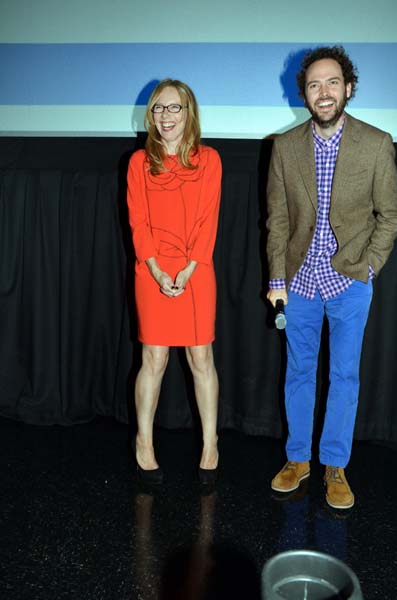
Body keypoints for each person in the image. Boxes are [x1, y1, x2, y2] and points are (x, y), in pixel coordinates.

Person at [266, 46, 397, 508]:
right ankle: (298, 459)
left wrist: (369, 266)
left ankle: (335, 465)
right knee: (299, 373)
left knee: (344, 376)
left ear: (349, 88)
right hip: (299, 281)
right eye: (313, 84)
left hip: (349, 283)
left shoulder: (377, 143)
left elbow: (391, 215)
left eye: (332, 82)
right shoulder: (284, 147)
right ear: (303, 93)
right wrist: (276, 278)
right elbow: (278, 221)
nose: (323, 92)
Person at [127, 79, 222, 485]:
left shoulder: (210, 159)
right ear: (151, 115)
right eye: (159, 108)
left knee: (201, 360)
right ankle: (143, 442)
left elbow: (208, 219)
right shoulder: (138, 162)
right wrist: (155, 269)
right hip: (152, 271)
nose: (166, 116)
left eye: (174, 108)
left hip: (196, 271)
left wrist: (189, 269)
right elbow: (138, 221)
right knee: (155, 359)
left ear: (189, 113)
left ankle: (210, 442)